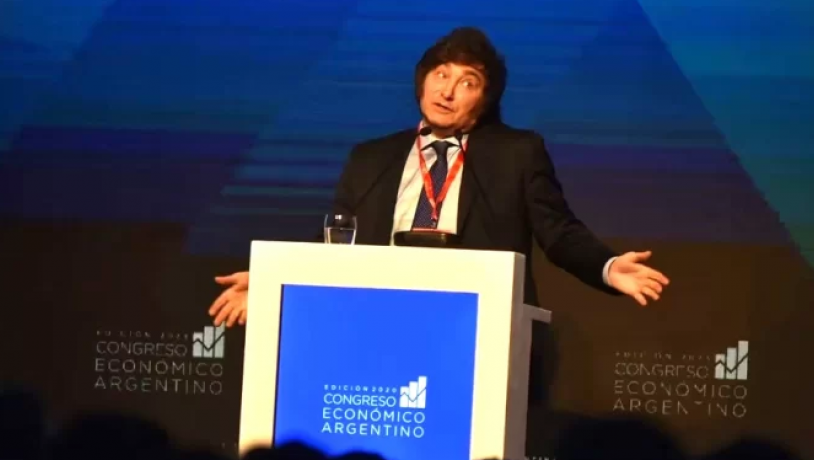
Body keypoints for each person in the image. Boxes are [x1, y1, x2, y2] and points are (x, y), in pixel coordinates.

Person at [209, 26, 669, 328]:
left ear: (485, 100)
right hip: (375, 318)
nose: (447, 91)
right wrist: (272, 281)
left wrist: (607, 267)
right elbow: (333, 243)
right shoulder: (372, 158)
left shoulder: (516, 154)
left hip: (474, 326)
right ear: (422, 80)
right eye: (440, 74)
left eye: (468, 82)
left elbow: (559, 231)